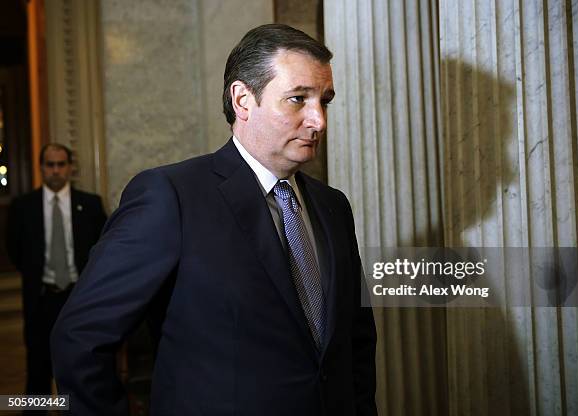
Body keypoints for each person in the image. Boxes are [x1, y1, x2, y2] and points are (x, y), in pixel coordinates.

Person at [51, 24, 377, 415]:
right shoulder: (170, 196)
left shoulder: (333, 207)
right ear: (242, 100)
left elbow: (355, 343)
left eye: (324, 101)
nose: (319, 120)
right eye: (297, 99)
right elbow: (80, 338)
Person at [6, 143, 107, 398]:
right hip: (41, 299)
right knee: (37, 371)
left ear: (70, 168)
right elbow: (15, 252)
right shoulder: (23, 207)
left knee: (80, 369)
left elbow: (103, 248)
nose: (55, 170)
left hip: (79, 298)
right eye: (50, 165)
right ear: (41, 168)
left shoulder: (91, 205)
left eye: (61, 164)